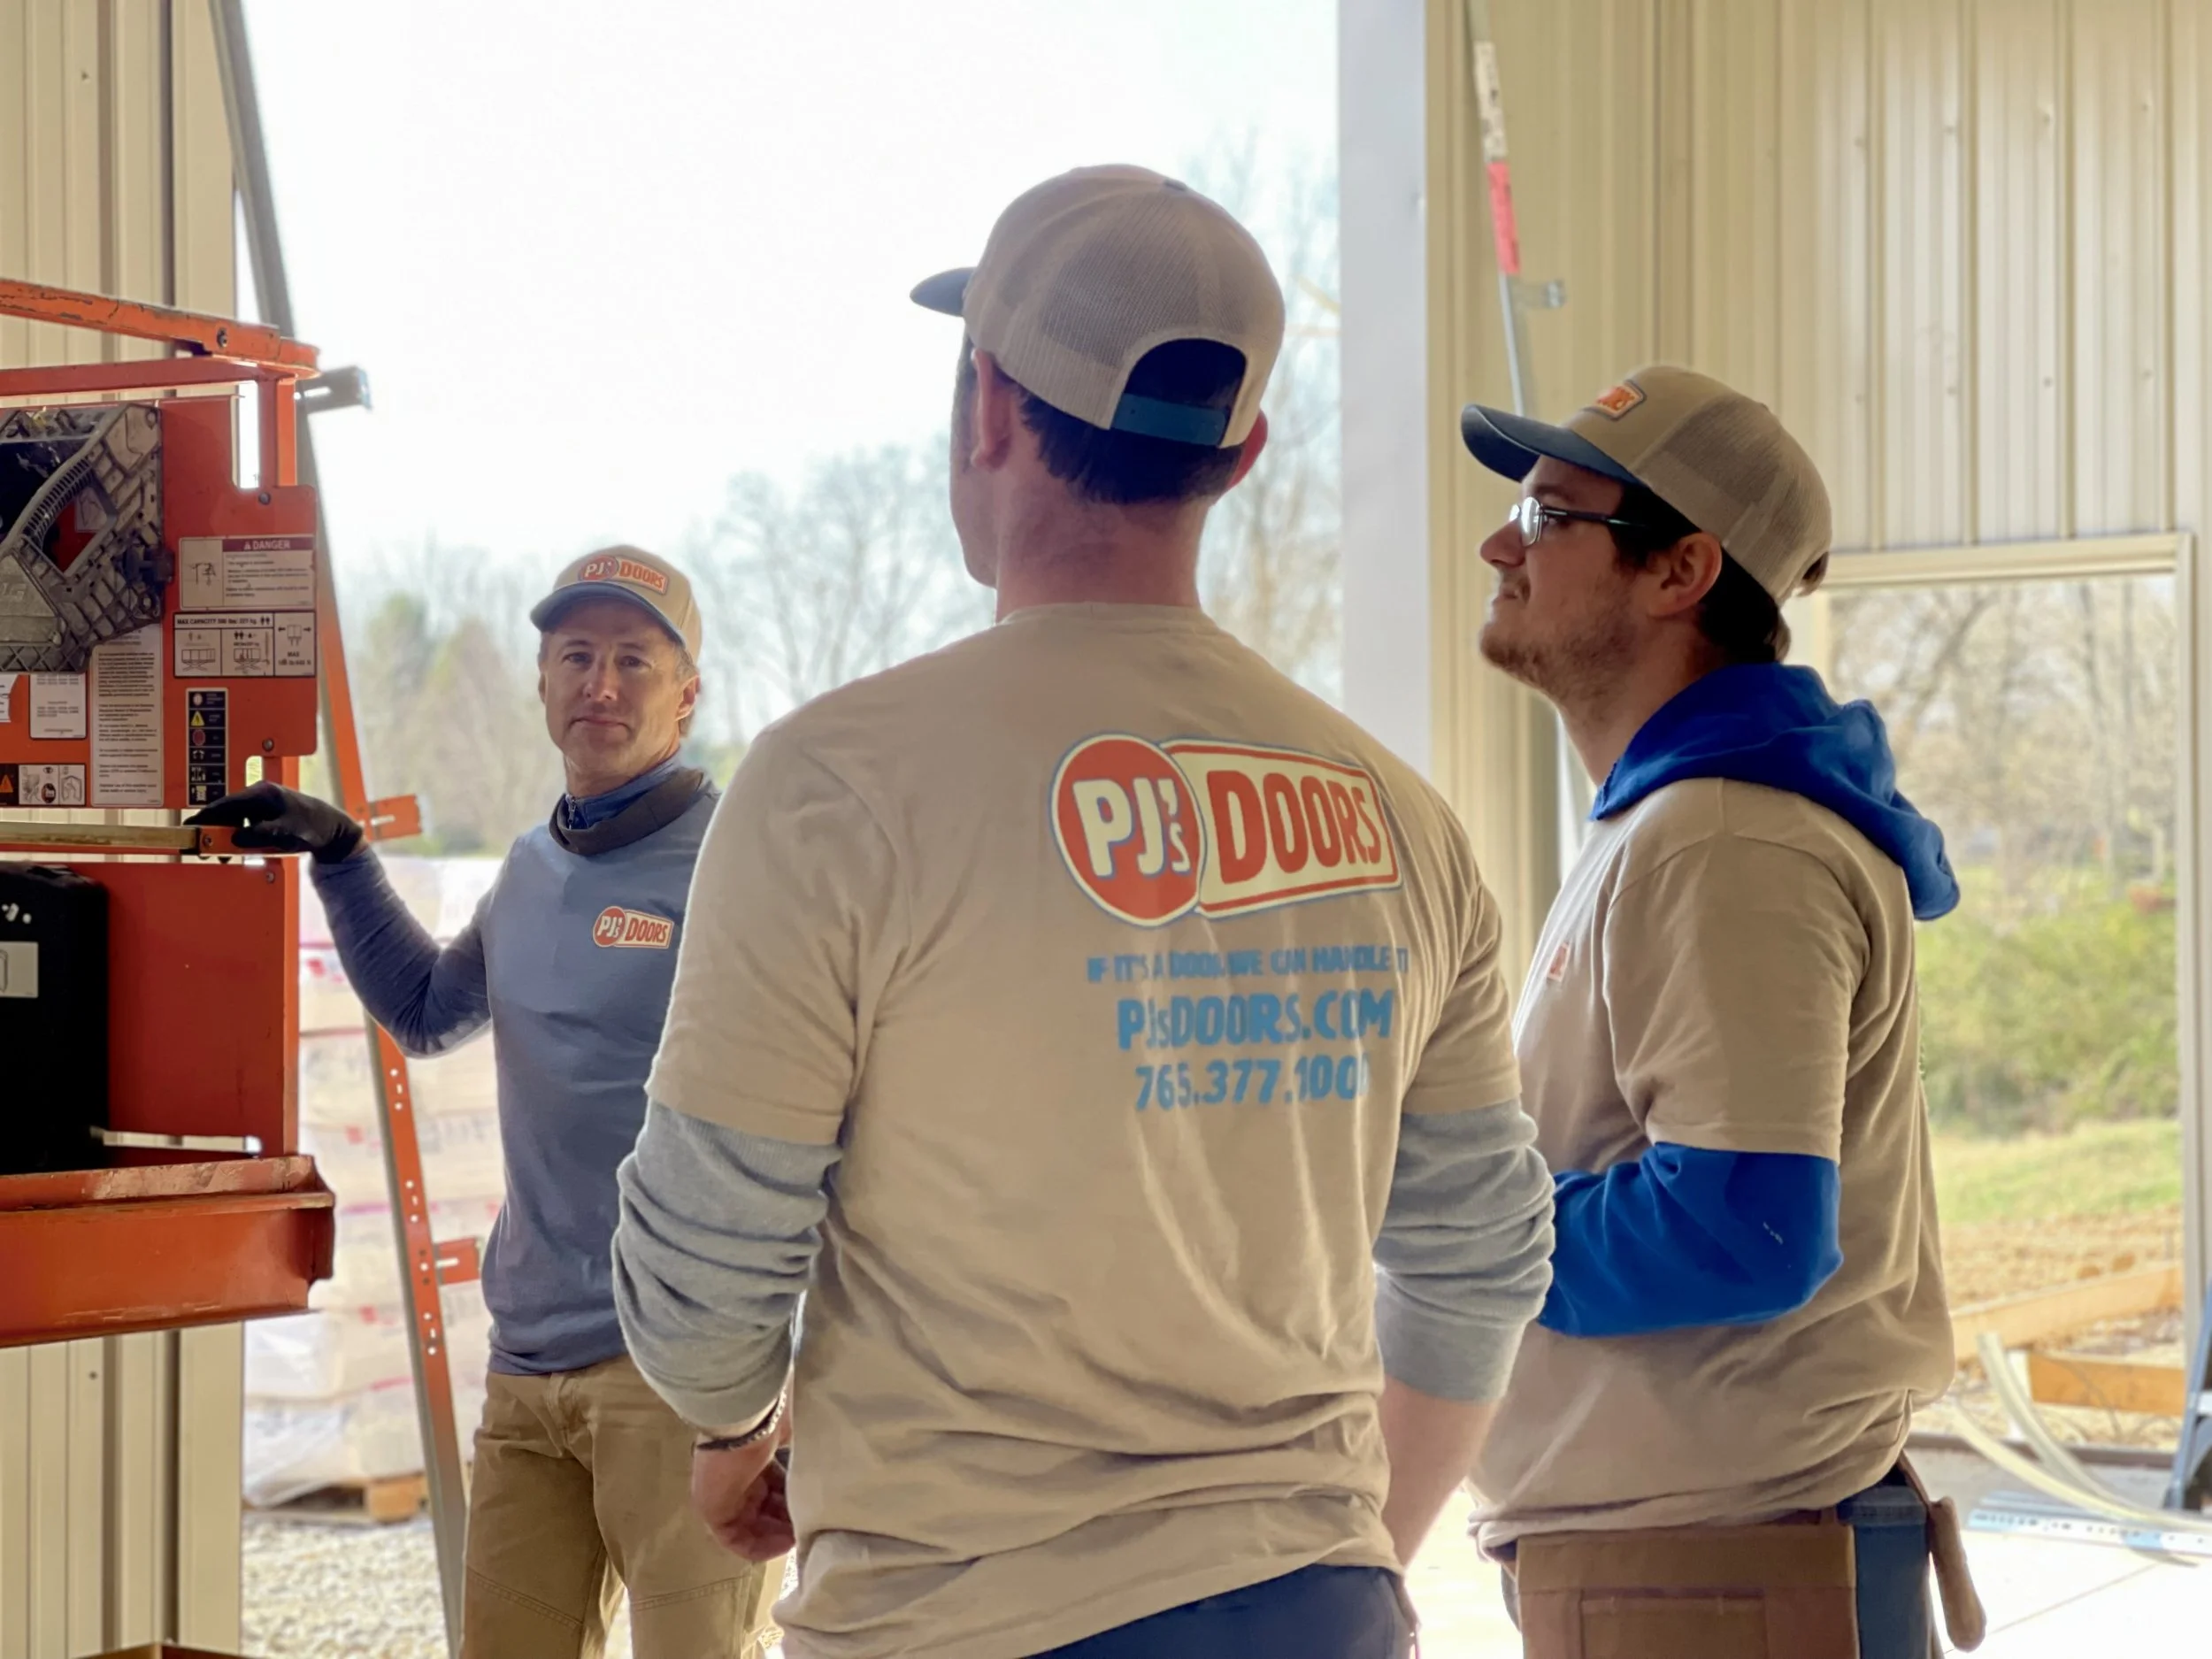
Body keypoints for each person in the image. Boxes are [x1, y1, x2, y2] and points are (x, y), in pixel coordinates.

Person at [607, 165, 1556, 1659]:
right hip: (1327, 1607)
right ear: (1238, 455)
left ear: (988, 407)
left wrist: (733, 1425)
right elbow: (1483, 1262)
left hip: (970, 1617)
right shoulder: (1398, 820)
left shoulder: (836, 790)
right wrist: (1347, 1552)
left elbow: (706, 1292)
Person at [1457, 366, 1980, 1659]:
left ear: (1680, 568)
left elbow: (1743, 1224)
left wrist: (1448, 1225)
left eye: (1541, 515)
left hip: (1713, 1578)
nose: (1495, 544)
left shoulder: (1727, 838)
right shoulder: (1680, 821)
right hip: (1700, 1559)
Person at [191, 548, 779, 1659]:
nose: (599, 683)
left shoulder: (739, 865)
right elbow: (426, 1009)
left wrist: (759, 1387)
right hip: (529, 1367)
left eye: (632, 660)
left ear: (686, 694)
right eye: (575, 656)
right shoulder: (528, 869)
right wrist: (341, 853)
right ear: (544, 682)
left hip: (681, 1374)